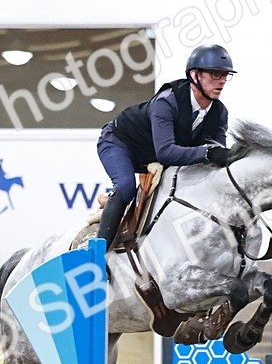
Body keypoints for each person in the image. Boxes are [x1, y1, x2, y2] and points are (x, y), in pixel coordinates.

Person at [94, 44, 236, 251]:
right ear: (194, 75)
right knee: (125, 186)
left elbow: (217, 156)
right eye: (215, 74)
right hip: (119, 142)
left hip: (153, 156)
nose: (222, 80)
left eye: (225, 75)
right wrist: (208, 152)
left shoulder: (220, 113)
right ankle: (98, 255)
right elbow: (167, 153)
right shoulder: (166, 102)